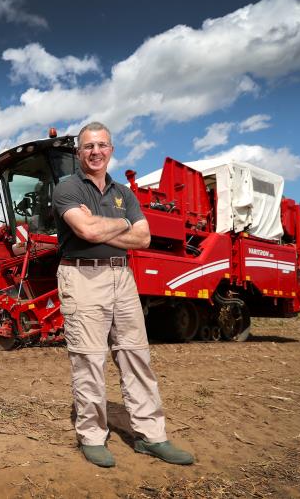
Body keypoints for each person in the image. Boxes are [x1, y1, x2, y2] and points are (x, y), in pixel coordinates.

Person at [52, 121, 194, 468]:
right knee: (89, 360)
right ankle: (92, 436)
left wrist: (104, 225)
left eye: (102, 145)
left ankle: (151, 436)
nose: (96, 152)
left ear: (111, 150)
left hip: (123, 277)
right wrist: (122, 223)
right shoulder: (67, 187)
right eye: (89, 146)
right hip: (82, 277)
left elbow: (143, 238)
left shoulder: (124, 193)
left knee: (136, 356)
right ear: (79, 153)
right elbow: (86, 230)